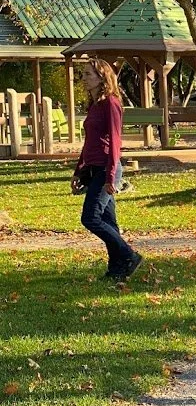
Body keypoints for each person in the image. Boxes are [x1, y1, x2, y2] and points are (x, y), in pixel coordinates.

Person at [71, 59, 143, 283]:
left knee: (90, 218)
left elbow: (115, 142)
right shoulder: (94, 105)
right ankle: (116, 269)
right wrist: (78, 170)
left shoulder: (111, 103)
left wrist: (111, 177)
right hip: (92, 168)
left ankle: (130, 255)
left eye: (88, 74)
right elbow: (89, 142)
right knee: (108, 222)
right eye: (83, 74)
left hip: (106, 169)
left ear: (102, 77)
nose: (84, 78)